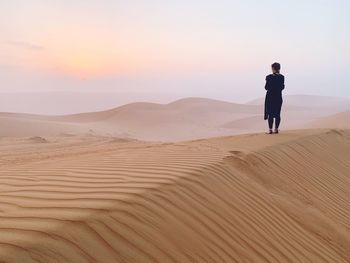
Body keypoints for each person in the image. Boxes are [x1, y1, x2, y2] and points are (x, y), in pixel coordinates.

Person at [264, 62, 285, 134]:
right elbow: (282, 87)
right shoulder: (282, 77)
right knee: (277, 113)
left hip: (270, 97)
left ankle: (270, 130)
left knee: (270, 114)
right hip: (278, 97)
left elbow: (266, 87)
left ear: (273, 68)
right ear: (279, 68)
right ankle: (276, 129)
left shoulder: (269, 77)